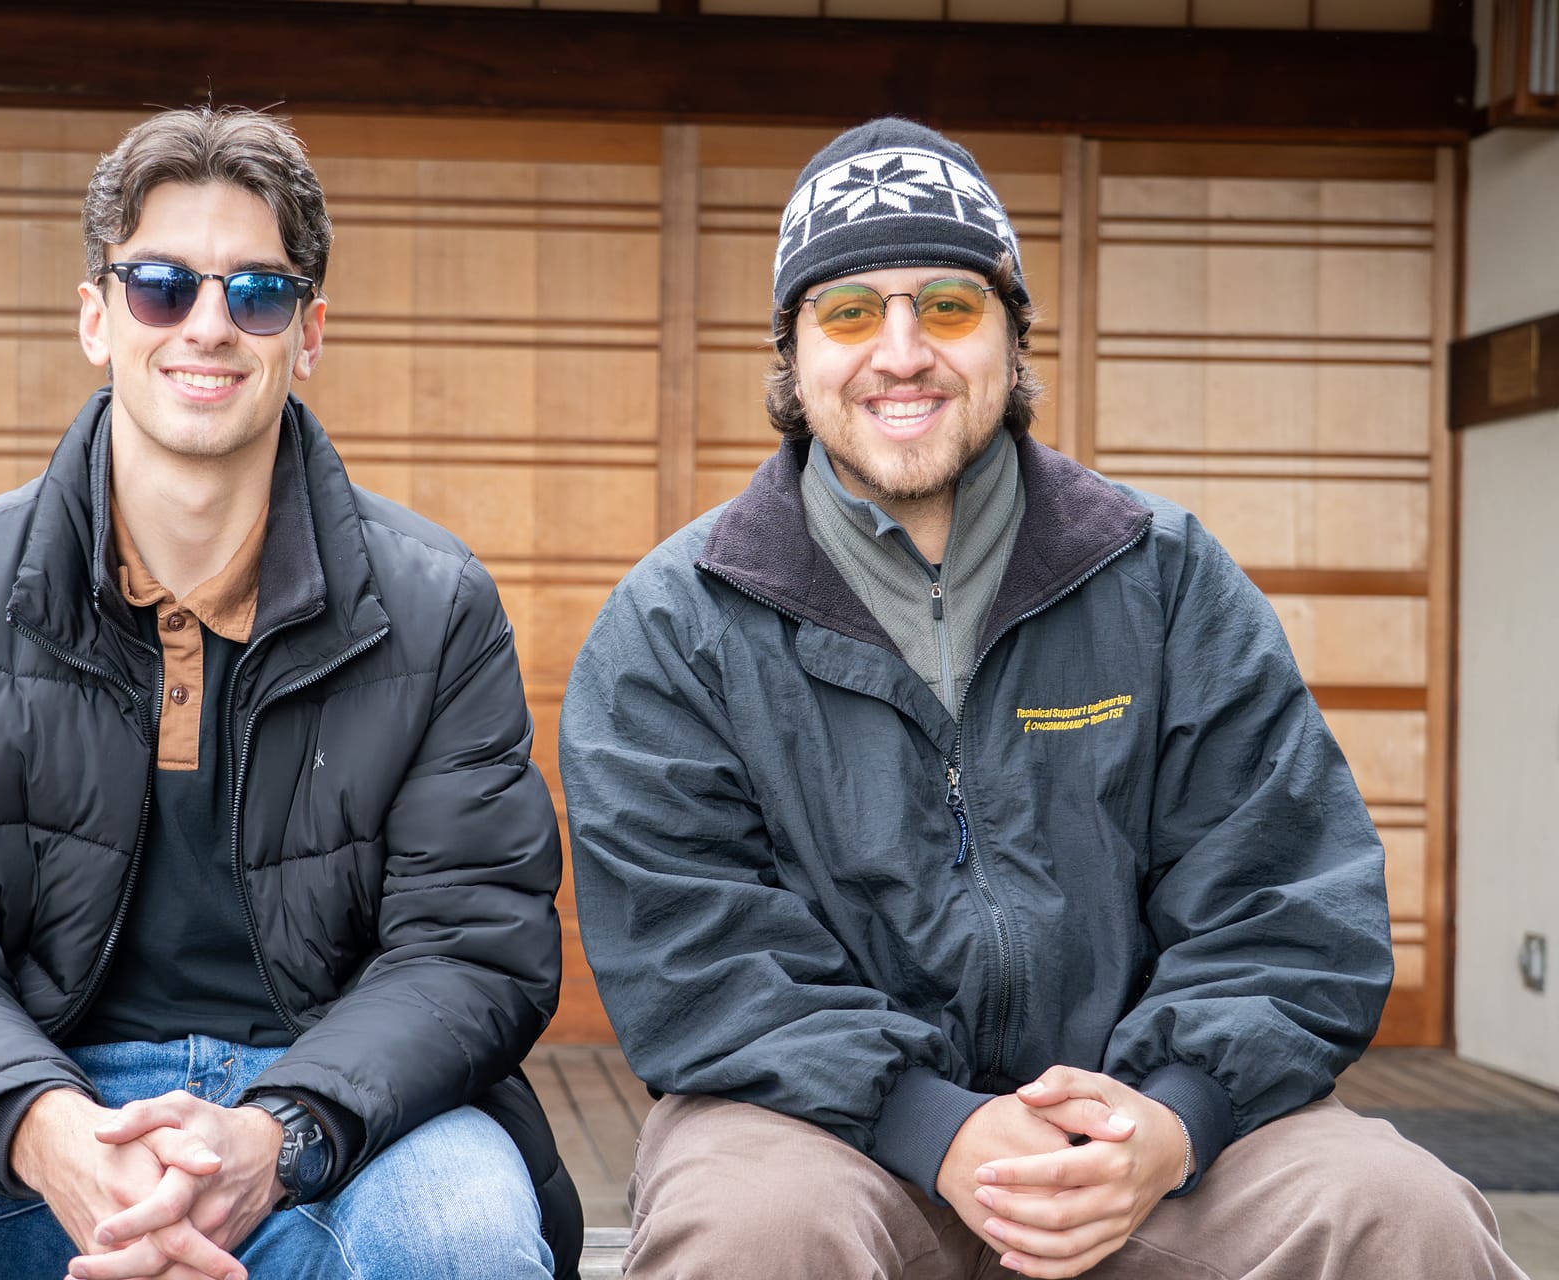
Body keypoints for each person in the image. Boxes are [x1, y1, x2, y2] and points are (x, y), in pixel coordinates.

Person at [558, 117, 1524, 1280]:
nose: (901, 351)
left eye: (950, 307)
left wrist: (1169, 1119)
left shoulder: (1160, 576)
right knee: (753, 1235)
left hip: (1143, 1128)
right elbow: (694, 953)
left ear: (1014, 337)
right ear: (795, 351)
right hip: (826, 1130)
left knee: (1399, 1211)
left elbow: (1286, 893)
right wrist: (938, 1122)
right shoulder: (678, 622)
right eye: (851, 311)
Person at [0, 105, 580, 1280]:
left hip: (335, 1114)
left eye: (259, 294)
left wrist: (274, 1134)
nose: (210, 326)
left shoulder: (436, 608)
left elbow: (471, 950)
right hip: (40, 1094)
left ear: (311, 332)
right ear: (96, 315)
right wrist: (44, 1126)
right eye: (163, 285)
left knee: (468, 1244)